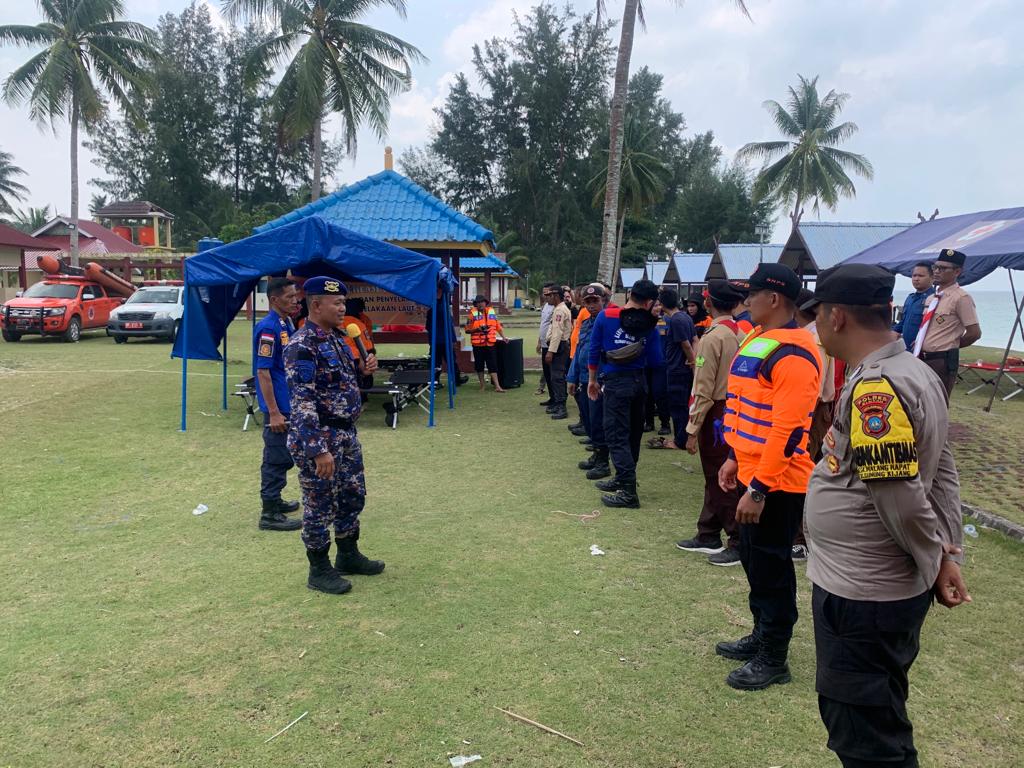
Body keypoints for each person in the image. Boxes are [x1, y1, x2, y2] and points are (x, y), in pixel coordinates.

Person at [802, 263, 971, 768]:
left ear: (836, 318)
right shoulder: (915, 371)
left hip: (863, 595)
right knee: (876, 713)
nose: (815, 330)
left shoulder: (879, 389)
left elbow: (899, 494)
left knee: (865, 732)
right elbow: (942, 470)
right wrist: (946, 552)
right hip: (873, 590)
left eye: (817, 319)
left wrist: (935, 556)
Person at [715, 263, 821, 690]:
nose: (746, 302)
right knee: (754, 560)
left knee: (772, 566)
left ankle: (774, 657)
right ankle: (761, 636)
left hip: (777, 484)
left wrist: (759, 488)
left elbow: (789, 429)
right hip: (752, 471)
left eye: (752, 294)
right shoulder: (761, 338)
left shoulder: (794, 353)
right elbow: (746, 409)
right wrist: (733, 459)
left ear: (774, 299)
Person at [284, 276, 384, 595]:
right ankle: (319, 569)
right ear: (316, 305)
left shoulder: (338, 339)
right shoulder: (302, 345)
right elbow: (302, 401)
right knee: (319, 504)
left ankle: (348, 554)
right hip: (321, 438)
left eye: (343, 302)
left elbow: (342, 385)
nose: (343, 308)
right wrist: (317, 450)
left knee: (352, 495)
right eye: (337, 303)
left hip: (345, 434)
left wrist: (364, 371)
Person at [677, 280, 745, 565]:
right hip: (734, 409)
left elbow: (703, 389)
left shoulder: (712, 338)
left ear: (708, 303)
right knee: (714, 475)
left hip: (716, 414)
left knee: (720, 477)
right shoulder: (741, 332)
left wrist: (692, 429)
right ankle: (708, 532)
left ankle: (738, 540)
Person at [587, 279, 664, 508]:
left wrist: (592, 379)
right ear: (650, 302)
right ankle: (623, 478)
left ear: (630, 294)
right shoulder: (650, 324)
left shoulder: (606, 316)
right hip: (639, 382)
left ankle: (628, 492)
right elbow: (657, 360)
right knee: (632, 434)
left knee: (616, 435)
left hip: (615, 382)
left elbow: (594, 350)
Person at [791, 288, 838, 561]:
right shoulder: (811, 336)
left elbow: (814, 389)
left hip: (811, 411)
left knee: (801, 475)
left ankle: (799, 539)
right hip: (815, 410)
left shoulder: (812, 339)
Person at [253, 277, 303, 532]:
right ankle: (269, 513)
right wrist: (273, 412)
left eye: (296, 296)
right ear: (274, 300)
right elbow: (263, 372)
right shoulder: (269, 329)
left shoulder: (286, 322)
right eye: (290, 297)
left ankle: (277, 500)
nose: (295, 301)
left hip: (289, 402)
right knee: (275, 457)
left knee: (284, 456)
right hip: (278, 408)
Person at [915, 249, 982, 399]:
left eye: (943, 268)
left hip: (942, 361)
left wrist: (951, 345)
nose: (937, 271)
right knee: (919, 402)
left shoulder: (961, 298)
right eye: (935, 267)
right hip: (921, 357)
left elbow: (974, 333)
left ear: (957, 271)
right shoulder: (931, 298)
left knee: (937, 403)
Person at [569, 285, 610, 479]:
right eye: (588, 302)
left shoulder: (607, 323)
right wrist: (572, 377)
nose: (592, 305)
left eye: (596, 301)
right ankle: (596, 454)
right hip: (584, 379)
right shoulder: (585, 323)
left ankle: (603, 462)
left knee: (598, 421)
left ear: (603, 300)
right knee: (589, 420)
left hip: (599, 380)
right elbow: (579, 352)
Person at [658, 288, 696, 450]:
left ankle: (679, 440)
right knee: (683, 406)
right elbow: (695, 340)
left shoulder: (676, 320)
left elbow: (687, 344)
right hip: (681, 368)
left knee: (678, 407)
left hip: (677, 370)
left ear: (661, 303)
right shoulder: (685, 317)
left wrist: (693, 362)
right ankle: (684, 437)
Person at [465, 294, 507, 393]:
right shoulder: (472, 314)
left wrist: (503, 337)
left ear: (485, 303)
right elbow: (467, 330)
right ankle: (482, 386)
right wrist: (477, 330)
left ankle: (497, 386)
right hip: (478, 345)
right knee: (479, 366)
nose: (480, 304)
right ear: (476, 304)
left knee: (493, 365)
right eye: (478, 302)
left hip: (490, 344)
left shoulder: (491, 312)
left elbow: (497, 326)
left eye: (482, 302)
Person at [544, 284, 573, 419]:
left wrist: (551, 351)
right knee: (555, 376)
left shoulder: (560, 310)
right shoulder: (559, 308)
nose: (547, 298)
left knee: (557, 377)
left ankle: (561, 406)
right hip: (560, 345)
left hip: (559, 346)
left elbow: (557, 332)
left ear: (555, 296)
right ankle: (558, 403)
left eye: (549, 295)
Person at [893, 261, 935, 351]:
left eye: (921, 276)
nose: (916, 279)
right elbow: (903, 322)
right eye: (914, 275)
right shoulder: (910, 298)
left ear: (932, 278)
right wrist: (892, 332)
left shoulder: (935, 299)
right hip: (906, 349)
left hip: (923, 350)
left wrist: (922, 342)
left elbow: (936, 328)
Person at [536, 283, 556, 398]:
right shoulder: (545, 306)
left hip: (551, 344)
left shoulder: (556, 307)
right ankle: (551, 397)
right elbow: (542, 325)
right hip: (544, 344)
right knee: (546, 371)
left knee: (553, 372)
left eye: (547, 292)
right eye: (544, 292)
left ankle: (556, 398)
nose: (545, 294)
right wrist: (539, 342)